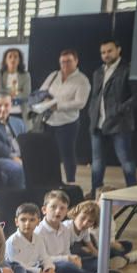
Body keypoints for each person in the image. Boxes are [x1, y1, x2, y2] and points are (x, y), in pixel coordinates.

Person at [88, 39, 137, 192]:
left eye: (109, 51)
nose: (106, 55)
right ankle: (96, 194)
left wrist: (120, 109)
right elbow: (95, 96)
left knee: (126, 161)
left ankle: (133, 193)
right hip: (98, 124)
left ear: (118, 50)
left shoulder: (127, 69)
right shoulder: (98, 72)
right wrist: (92, 112)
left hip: (120, 124)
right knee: (97, 162)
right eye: (103, 52)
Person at [39, 49, 91, 184]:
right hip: (49, 121)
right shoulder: (54, 75)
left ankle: (70, 183)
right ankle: (52, 181)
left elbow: (81, 103)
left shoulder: (82, 80)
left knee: (67, 154)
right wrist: (45, 100)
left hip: (68, 123)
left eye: (69, 61)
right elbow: (41, 91)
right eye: (62, 62)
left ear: (76, 61)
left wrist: (58, 105)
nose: (65, 64)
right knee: (49, 154)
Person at [0, 48, 31, 118]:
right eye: (10, 56)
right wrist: (17, 91)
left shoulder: (26, 75)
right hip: (2, 111)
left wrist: (6, 91)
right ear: (5, 60)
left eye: (15, 57)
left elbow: (26, 94)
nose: (13, 59)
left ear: (19, 60)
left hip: (20, 111)